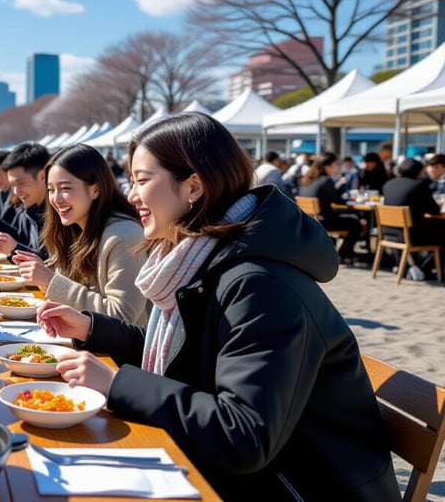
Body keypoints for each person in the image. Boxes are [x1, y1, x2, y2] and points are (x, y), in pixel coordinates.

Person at [36, 112, 399, 501]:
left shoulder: (259, 284)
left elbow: (244, 436)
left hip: (300, 485)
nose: (131, 194)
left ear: (193, 185)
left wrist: (116, 383)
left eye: (142, 180)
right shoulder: (200, 258)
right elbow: (189, 350)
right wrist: (93, 328)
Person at [13, 145, 148, 325]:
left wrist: (50, 280)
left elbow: (121, 316)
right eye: (51, 190)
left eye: (65, 188)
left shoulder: (124, 236)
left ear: (95, 189)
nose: (56, 199)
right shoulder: (74, 226)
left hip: (112, 353)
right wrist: (42, 270)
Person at [0, 142, 51, 258]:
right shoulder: (28, 208)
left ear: (42, 176)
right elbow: (20, 239)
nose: (16, 192)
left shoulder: (60, 213)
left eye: (21, 183)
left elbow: (54, 266)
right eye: (13, 185)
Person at [298, 152, 362, 262]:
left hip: (308, 220)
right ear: (329, 166)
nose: (336, 168)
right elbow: (339, 200)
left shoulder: (306, 180)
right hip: (323, 221)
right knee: (356, 224)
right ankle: (344, 253)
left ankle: (343, 253)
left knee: (350, 221)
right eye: (336, 165)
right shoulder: (325, 180)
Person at [382, 157, 445, 255]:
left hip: (388, 232)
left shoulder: (388, 184)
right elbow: (435, 210)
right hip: (411, 235)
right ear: (418, 172)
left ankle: (419, 265)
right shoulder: (418, 186)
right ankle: (433, 266)